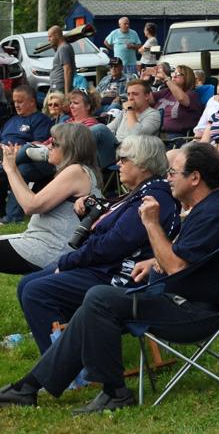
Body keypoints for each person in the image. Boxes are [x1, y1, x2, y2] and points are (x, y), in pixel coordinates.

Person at [0, 142, 219, 414]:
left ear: (195, 178)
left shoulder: (210, 213)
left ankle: (113, 392)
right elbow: (188, 257)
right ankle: (29, 387)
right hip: (179, 297)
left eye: (173, 173)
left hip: (191, 311)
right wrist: (153, 261)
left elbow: (176, 267)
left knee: (99, 298)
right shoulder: (213, 207)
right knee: (94, 303)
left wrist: (151, 223)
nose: (168, 178)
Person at [15, 135, 179, 354]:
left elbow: (112, 245)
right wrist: (95, 210)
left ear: (142, 164)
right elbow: (114, 232)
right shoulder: (143, 192)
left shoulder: (151, 198)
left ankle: (66, 366)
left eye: (123, 159)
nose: (118, 164)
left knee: (36, 292)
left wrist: (68, 262)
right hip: (110, 267)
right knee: (27, 284)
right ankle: (74, 349)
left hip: (125, 277)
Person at [0, 123, 101, 274]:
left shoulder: (76, 171)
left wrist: (11, 169)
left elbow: (30, 205)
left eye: (54, 143)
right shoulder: (81, 171)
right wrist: (13, 168)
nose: (48, 147)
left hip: (51, 249)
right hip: (43, 243)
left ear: (70, 148)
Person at [0, 86, 53, 223]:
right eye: (14, 102)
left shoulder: (41, 120)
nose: (16, 105)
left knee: (21, 170)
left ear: (32, 102)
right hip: (4, 155)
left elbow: (38, 146)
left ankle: (13, 217)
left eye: (20, 101)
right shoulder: (11, 121)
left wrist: (17, 151)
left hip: (31, 162)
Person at [154, 64, 203, 142]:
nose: (174, 75)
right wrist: (144, 81)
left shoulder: (192, 95)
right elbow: (145, 98)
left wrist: (166, 79)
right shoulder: (166, 91)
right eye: (174, 73)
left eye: (178, 74)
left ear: (187, 77)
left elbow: (181, 98)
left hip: (174, 137)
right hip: (154, 133)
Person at [107, 79, 162, 145]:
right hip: (116, 146)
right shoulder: (124, 112)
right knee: (100, 129)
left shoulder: (154, 115)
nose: (130, 98)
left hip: (134, 149)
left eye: (135, 94)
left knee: (99, 129)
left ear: (147, 96)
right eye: (128, 94)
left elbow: (136, 135)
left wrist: (130, 110)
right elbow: (108, 130)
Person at [46, 26, 75, 93]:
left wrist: (67, 92)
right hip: (57, 85)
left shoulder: (63, 48)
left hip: (60, 86)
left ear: (56, 35)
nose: (48, 39)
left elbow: (68, 70)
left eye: (50, 37)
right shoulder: (61, 48)